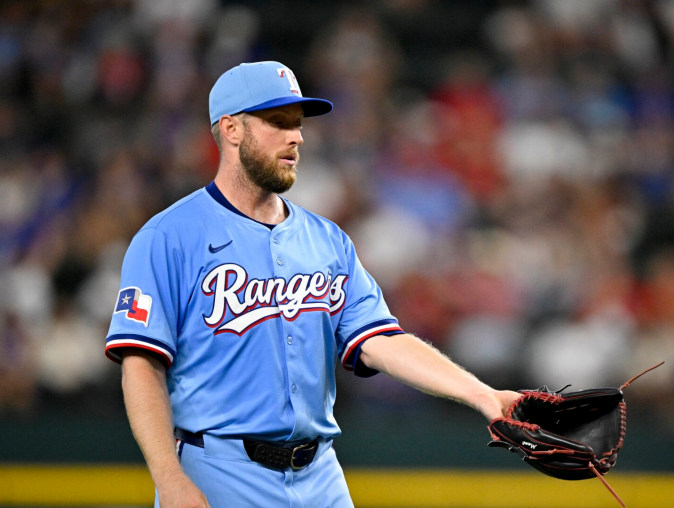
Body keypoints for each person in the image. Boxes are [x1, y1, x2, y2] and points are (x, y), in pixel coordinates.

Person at [105, 61, 520, 508]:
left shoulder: (327, 240)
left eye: (298, 124)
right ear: (231, 129)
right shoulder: (168, 236)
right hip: (218, 472)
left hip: (321, 475)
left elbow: (381, 339)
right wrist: (168, 478)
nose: (296, 137)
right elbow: (141, 363)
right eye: (277, 122)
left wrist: (481, 394)